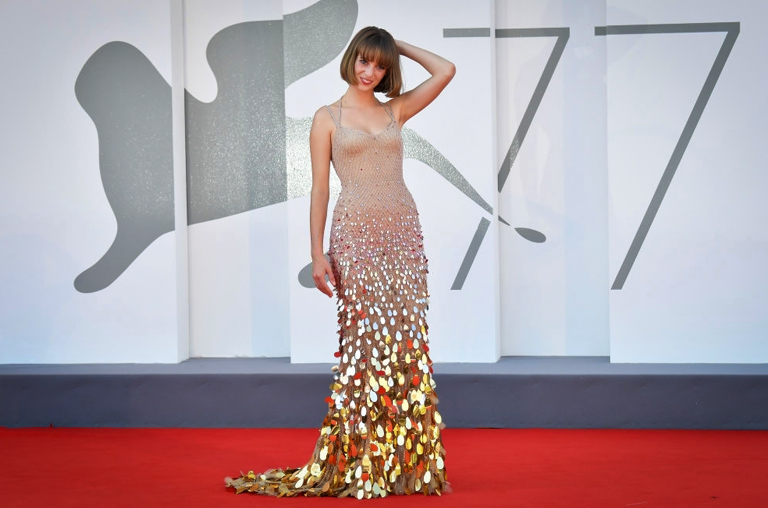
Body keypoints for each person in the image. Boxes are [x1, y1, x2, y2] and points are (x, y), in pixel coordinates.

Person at [225, 26, 455, 499]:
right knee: (365, 349)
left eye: (380, 65)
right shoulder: (327, 117)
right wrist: (316, 253)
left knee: (406, 347)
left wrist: (397, 45)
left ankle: (402, 463)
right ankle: (357, 461)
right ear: (350, 60)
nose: (371, 72)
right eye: (365, 61)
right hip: (354, 237)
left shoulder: (396, 108)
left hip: (403, 235)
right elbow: (321, 189)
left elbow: (446, 70)